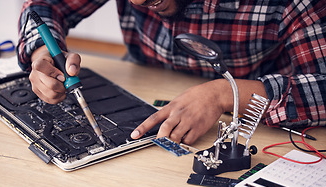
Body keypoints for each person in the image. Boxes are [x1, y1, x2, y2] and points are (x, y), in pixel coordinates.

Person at [17, 0, 326, 145]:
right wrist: (42, 53)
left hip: (255, 115)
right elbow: (43, 6)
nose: (137, 2)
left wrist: (223, 93)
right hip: (142, 80)